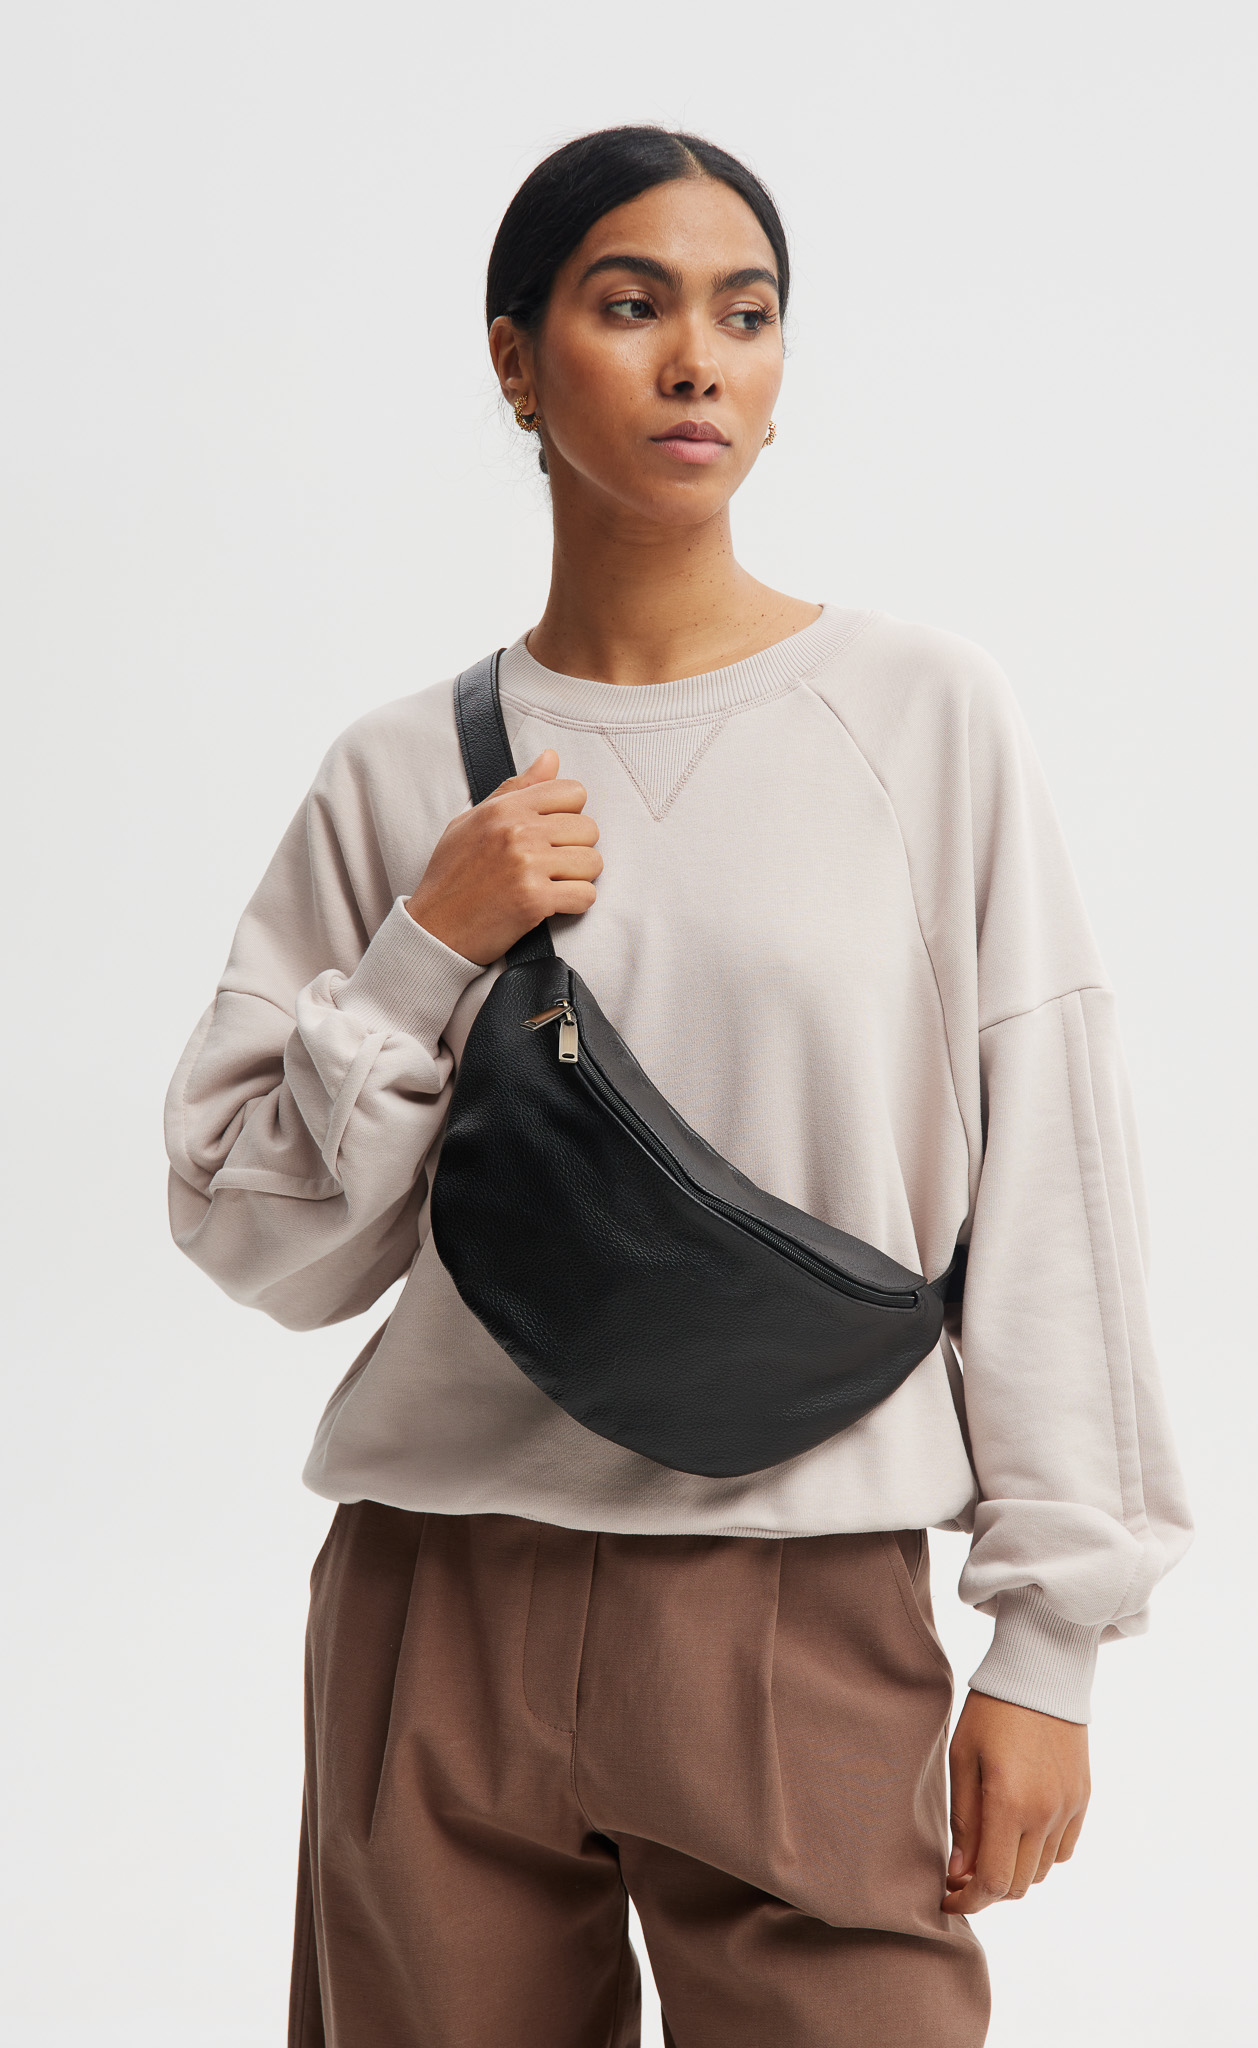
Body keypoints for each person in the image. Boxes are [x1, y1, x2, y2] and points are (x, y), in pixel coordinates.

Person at [164, 125, 1192, 2048]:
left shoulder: (920, 716)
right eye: (630, 305)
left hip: (798, 1594)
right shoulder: (399, 772)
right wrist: (430, 945)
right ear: (515, 359)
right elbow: (258, 1243)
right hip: (437, 1599)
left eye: (746, 315)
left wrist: (1048, 1644)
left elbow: (1053, 1170)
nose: (697, 361)